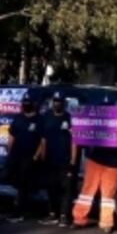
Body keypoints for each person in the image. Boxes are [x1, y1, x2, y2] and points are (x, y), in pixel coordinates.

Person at [72, 96, 117, 233]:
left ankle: (106, 223)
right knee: (87, 192)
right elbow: (83, 135)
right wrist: (77, 131)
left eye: (109, 107)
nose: (106, 109)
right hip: (94, 160)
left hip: (112, 164)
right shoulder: (92, 119)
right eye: (104, 107)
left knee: (108, 195)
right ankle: (79, 219)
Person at [39, 93, 77, 227]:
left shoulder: (69, 118)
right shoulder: (46, 117)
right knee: (51, 188)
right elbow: (43, 139)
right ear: (52, 102)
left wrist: (73, 160)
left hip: (65, 160)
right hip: (50, 159)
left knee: (65, 189)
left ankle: (64, 216)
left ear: (63, 103)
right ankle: (52, 214)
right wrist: (42, 158)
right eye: (55, 101)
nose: (57, 103)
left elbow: (74, 141)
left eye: (59, 101)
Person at [5, 94, 43, 223]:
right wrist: (9, 153)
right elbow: (11, 136)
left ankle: (18, 212)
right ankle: (21, 208)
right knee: (16, 182)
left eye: (29, 102)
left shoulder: (39, 120)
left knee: (23, 185)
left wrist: (36, 156)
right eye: (24, 102)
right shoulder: (18, 118)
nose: (26, 104)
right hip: (16, 156)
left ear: (34, 104)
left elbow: (43, 141)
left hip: (30, 158)